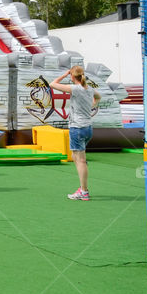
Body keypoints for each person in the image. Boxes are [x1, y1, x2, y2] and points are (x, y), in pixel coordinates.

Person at [50, 66, 101, 201]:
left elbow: (52, 84)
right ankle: (83, 179)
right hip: (88, 128)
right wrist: (92, 105)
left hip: (77, 128)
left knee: (80, 160)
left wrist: (64, 74)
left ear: (72, 76)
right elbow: (98, 96)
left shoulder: (75, 89)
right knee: (75, 156)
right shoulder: (89, 89)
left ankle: (83, 191)